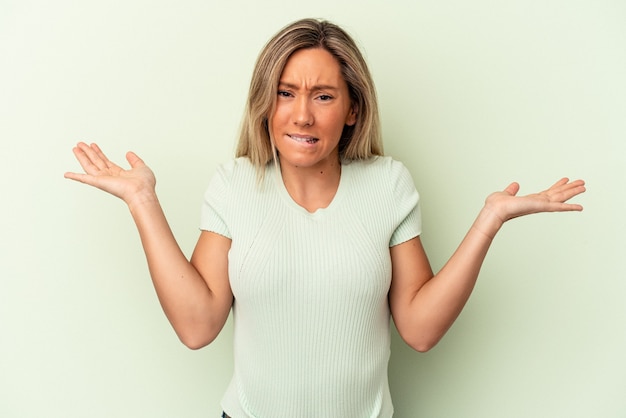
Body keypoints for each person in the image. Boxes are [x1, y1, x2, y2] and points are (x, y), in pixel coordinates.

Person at [64, 18, 585, 418]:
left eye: (323, 96)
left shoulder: (389, 184)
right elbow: (198, 326)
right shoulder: (234, 184)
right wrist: (142, 202)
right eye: (286, 93)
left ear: (352, 109)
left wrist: (489, 220)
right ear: (266, 104)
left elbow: (420, 330)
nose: (302, 115)